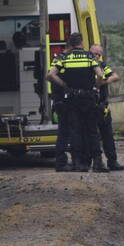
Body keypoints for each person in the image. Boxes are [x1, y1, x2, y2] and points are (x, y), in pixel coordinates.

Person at [46, 33, 106, 172]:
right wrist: (96, 86)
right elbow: (100, 74)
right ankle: (97, 163)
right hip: (88, 98)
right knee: (92, 131)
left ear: (70, 44)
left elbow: (50, 75)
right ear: (81, 43)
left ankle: (77, 163)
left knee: (75, 131)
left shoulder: (63, 57)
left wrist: (64, 85)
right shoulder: (89, 56)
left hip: (72, 99)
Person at [90, 44, 124, 171]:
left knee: (108, 136)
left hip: (103, 106)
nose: (97, 56)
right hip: (91, 106)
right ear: (89, 52)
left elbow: (115, 76)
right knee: (93, 137)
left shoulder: (102, 65)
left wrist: (104, 82)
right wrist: (99, 83)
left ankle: (112, 161)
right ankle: (96, 162)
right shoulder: (87, 65)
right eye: (95, 53)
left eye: (99, 54)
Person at [49, 41, 73, 171]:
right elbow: (50, 76)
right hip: (62, 99)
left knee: (65, 132)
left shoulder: (59, 59)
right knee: (64, 132)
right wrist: (65, 85)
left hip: (60, 99)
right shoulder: (61, 59)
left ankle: (64, 161)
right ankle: (61, 162)